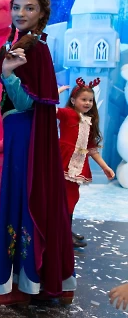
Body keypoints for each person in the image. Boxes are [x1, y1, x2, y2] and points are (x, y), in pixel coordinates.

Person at [0, 0, 76, 306]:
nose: (21, 13)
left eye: (29, 8)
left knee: (22, 199)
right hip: (23, 135)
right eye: (17, 7)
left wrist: (7, 73)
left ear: (42, 13)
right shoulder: (25, 43)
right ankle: (49, 281)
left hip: (25, 137)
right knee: (27, 198)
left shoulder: (33, 49)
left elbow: (24, 103)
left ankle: (24, 286)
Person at [57, 79, 115, 248]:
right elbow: (50, 110)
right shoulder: (69, 114)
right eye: (84, 99)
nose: (88, 103)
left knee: (72, 197)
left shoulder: (88, 120)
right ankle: (63, 234)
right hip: (64, 162)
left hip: (77, 164)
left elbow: (91, 149)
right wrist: (56, 93)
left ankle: (65, 231)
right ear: (73, 100)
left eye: (90, 100)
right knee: (66, 198)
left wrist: (105, 167)